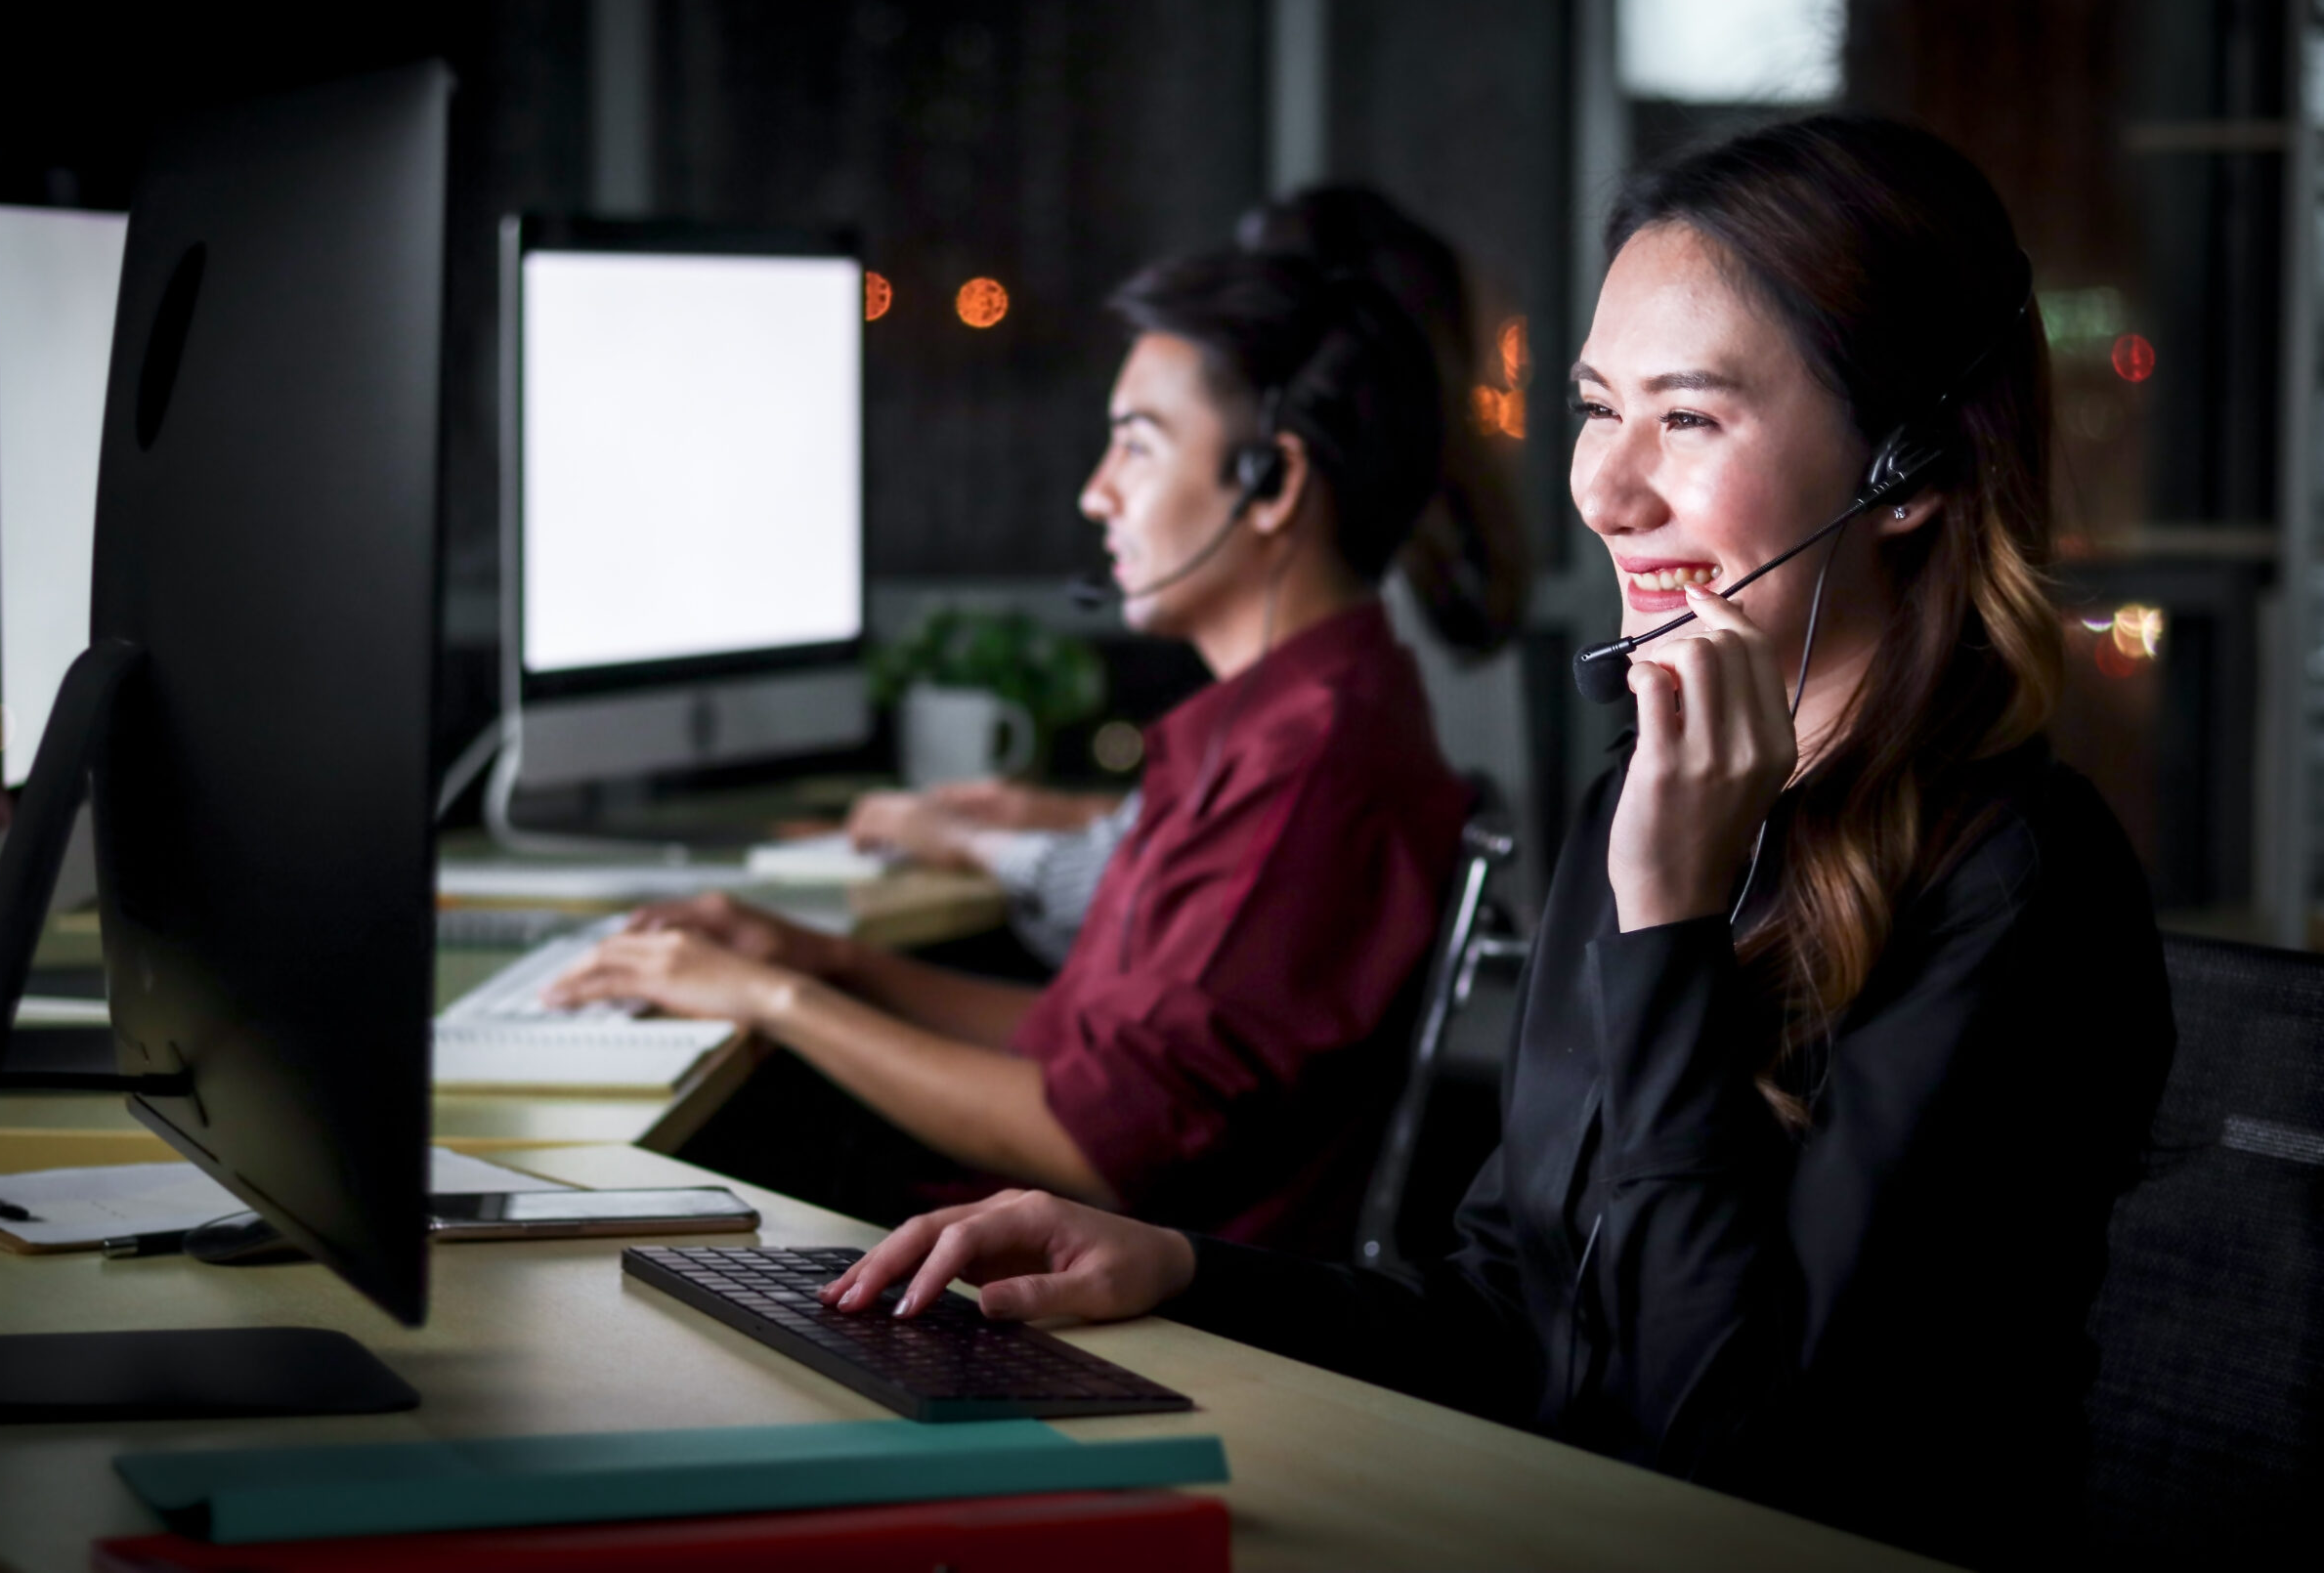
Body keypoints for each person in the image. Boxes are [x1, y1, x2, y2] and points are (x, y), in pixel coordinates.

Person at [821, 115, 2174, 1568]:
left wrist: (1666, 926)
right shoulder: (1643, 803)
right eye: (1599, 409)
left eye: (1692, 417)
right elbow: (1507, 1315)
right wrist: (1184, 1270)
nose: (1604, 488)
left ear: (1905, 470)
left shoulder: (2018, 889)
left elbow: (1732, 1464)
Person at [549, 248, 1480, 1255]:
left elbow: (1100, 1140)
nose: (1096, 494)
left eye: (1137, 445)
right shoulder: (1278, 722)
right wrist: (826, 960)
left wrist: (777, 1001)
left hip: (1085, 1296)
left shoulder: (1310, 766)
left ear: (1270, 482)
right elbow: (1077, 1045)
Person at [844, 184, 1528, 966]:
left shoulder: (1352, 634)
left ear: (1272, 472)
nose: (1096, 496)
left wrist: (976, 846)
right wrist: (1043, 812)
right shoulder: (1424, 567)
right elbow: (1234, 847)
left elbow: (1258, 866)